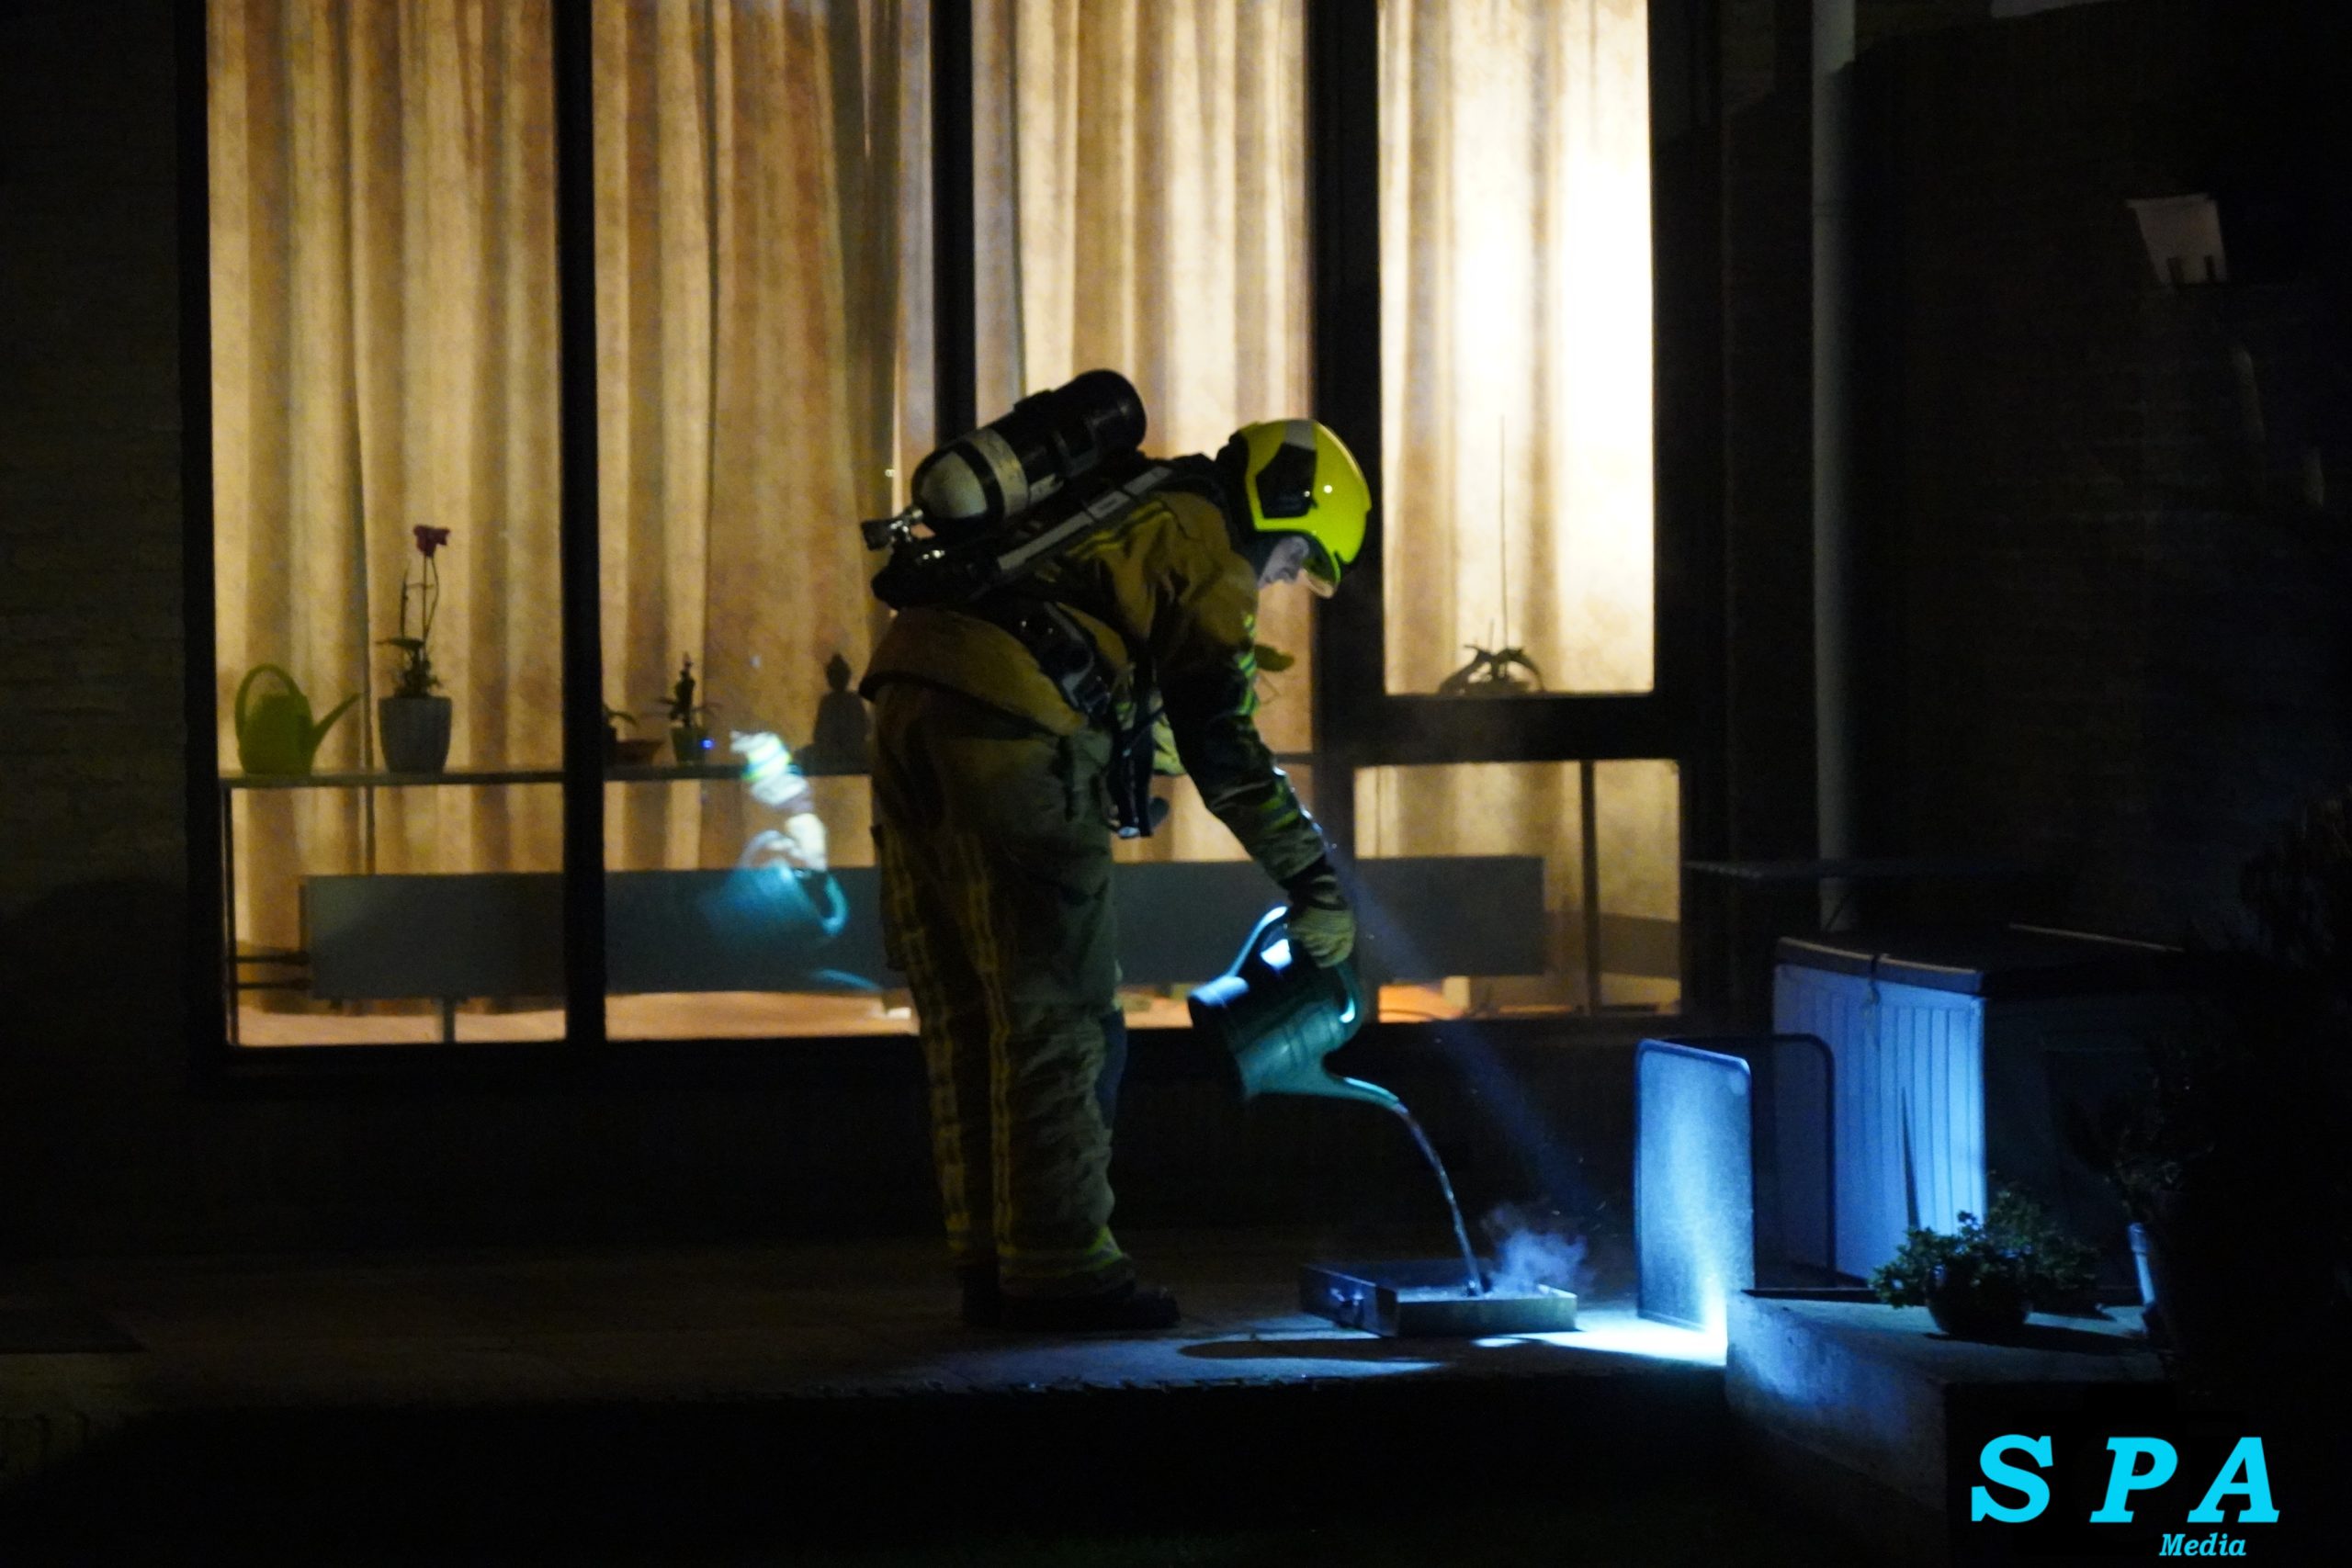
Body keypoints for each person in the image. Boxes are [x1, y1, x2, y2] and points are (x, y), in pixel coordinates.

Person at [859, 418, 1371, 1331]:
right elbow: (1223, 743)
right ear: (1283, 507)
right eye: (1296, 559)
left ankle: (993, 1262)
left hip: (906, 699)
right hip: (1010, 730)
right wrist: (1314, 881)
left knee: (968, 1012)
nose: (1281, 580)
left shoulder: (1129, 506)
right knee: (1062, 1018)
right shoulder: (1208, 547)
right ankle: (1063, 1273)